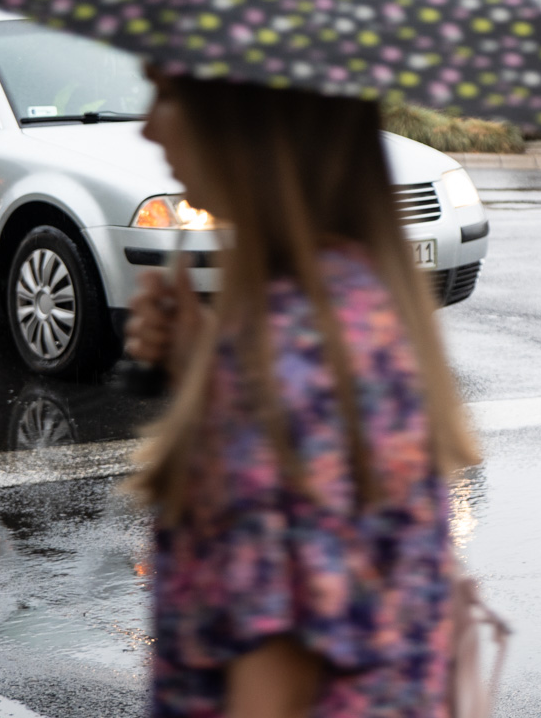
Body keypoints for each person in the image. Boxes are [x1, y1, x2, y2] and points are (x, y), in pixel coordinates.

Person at [125, 74, 479, 718]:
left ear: (251, 116)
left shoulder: (289, 357)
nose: (149, 126)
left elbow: (279, 676)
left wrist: (233, 377)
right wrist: (201, 365)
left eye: (168, 94)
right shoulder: (355, 303)